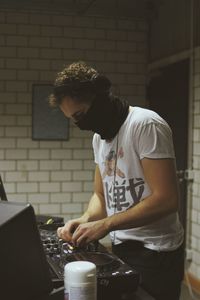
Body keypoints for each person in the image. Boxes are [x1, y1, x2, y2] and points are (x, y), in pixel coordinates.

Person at [49, 61, 184, 300]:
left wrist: (106, 224)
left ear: (99, 97)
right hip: (123, 247)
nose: (80, 124)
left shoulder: (145, 124)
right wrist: (86, 220)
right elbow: (101, 195)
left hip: (156, 252)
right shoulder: (99, 139)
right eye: (73, 119)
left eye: (80, 114)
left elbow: (167, 200)